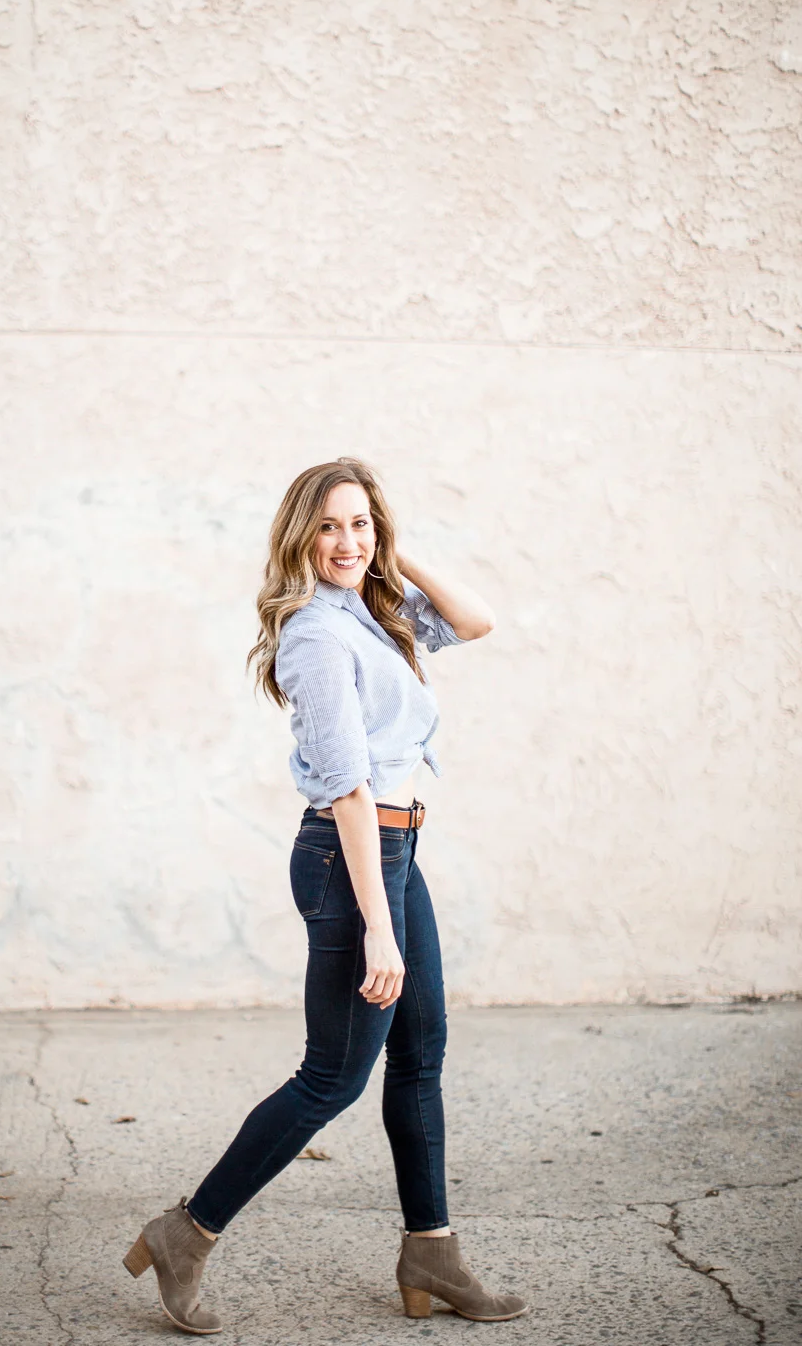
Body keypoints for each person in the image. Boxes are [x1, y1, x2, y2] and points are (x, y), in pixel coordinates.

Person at [123, 457, 528, 1334]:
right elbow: (346, 787)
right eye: (329, 527)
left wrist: (392, 552)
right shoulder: (314, 634)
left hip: (395, 849)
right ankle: (186, 1233)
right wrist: (380, 927)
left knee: (420, 1053)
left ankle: (432, 1252)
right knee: (333, 1076)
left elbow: (477, 619)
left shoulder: (372, 611)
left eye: (360, 524)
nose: (347, 542)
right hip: (354, 858)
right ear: (299, 536)